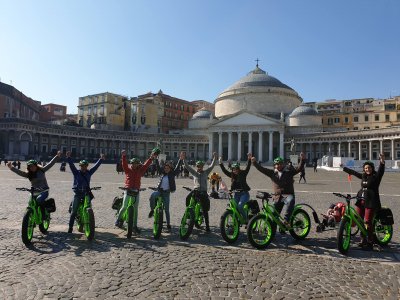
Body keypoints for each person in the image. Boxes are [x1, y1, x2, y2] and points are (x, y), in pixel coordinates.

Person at [341, 154, 385, 250]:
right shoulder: (363, 176)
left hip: (371, 202)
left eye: (369, 168)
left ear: (372, 168)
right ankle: (363, 239)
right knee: (359, 220)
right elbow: (354, 172)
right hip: (361, 201)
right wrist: (344, 168)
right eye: (365, 168)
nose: (367, 169)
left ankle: (371, 241)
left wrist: (382, 161)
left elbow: (381, 171)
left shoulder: (376, 177)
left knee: (367, 221)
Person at [251, 153, 305, 228]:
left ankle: (286, 220)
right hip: (277, 196)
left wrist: (302, 159)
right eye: (276, 164)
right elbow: (262, 169)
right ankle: (274, 232)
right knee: (274, 216)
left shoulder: (289, 171)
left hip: (287, 194)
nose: (278, 165)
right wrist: (254, 162)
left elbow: (299, 168)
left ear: (283, 164)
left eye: (280, 164)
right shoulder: (272, 173)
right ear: (274, 165)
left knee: (290, 201)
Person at [7, 151, 61, 219]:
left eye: (33, 166)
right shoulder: (28, 174)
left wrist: (57, 156)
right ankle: (32, 215)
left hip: (44, 190)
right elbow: (20, 172)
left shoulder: (42, 170)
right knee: (30, 202)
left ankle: (43, 214)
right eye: (30, 167)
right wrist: (11, 167)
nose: (32, 168)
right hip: (34, 191)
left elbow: (50, 164)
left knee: (39, 200)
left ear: (36, 166)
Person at [116, 149, 158, 234]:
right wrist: (123, 156)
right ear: (131, 163)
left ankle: (134, 226)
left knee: (135, 210)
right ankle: (118, 220)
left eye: (136, 163)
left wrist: (151, 158)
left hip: (136, 191)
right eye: (133, 163)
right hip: (128, 190)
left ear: (138, 164)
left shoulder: (140, 170)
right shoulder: (127, 170)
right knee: (124, 206)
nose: (134, 165)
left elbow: (146, 165)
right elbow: (124, 165)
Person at [66, 151, 105, 234]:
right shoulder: (76, 172)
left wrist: (100, 159)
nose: (83, 167)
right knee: (73, 212)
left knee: (89, 207)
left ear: (87, 166)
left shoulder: (89, 172)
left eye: (85, 166)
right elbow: (71, 165)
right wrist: (69, 157)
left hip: (86, 193)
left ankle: (89, 221)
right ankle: (70, 228)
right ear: (80, 166)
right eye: (82, 166)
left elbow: (96, 167)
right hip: (78, 194)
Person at [148, 152, 183, 233]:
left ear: (170, 169)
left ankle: (168, 224)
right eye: (165, 168)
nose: (166, 169)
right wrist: (156, 158)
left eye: (168, 168)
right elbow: (157, 166)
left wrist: (180, 160)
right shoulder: (162, 173)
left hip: (166, 193)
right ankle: (152, 210)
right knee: (152, 196)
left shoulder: (172, 174)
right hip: (159, 191)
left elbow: (177, 168)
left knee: (166, 210)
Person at [182, 152, 218, 232]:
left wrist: (215, 158)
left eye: (201, 166)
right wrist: (184, 159)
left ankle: (207, 226)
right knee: (188, 198)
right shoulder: (195, 173)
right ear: (196, 166)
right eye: (198, 166)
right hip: (196, 191)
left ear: (202, 167)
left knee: (205, 209)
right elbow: (187, 167)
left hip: (203, 192)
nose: (199, 168)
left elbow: (212, 166)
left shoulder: (206, 172)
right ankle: (189, 214)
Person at [219, 153, 252, 220]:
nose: (235, 171)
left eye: (236, 169)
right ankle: (237, 220)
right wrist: (220, 163)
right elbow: (225, 171)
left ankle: (246, 220)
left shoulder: (243, 173)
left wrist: (249, 159)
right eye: (233, 169)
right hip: (236, 194)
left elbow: (248, 167)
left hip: (244, 194)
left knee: (240, 206)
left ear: (239, 169)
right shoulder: (232, 175)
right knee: (234, 207)